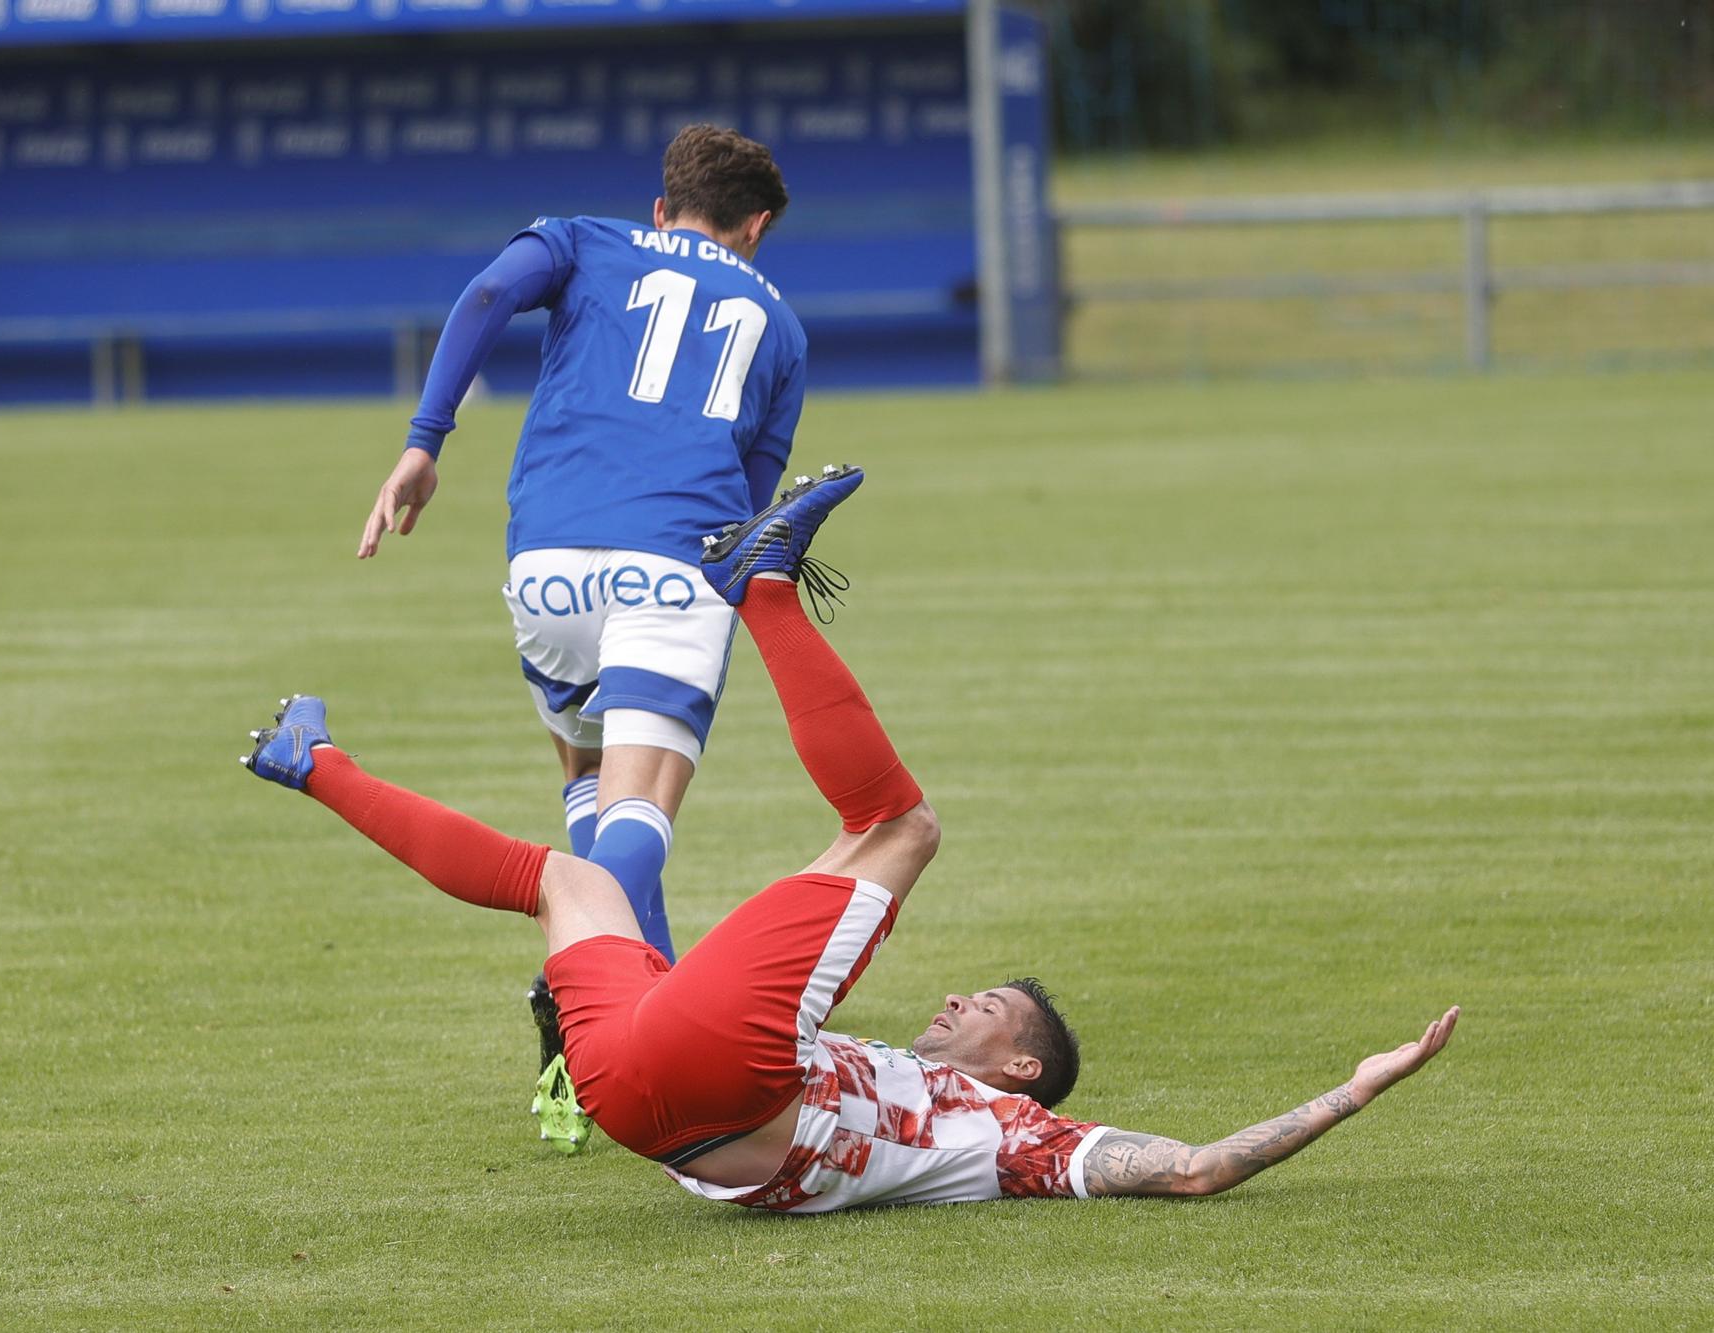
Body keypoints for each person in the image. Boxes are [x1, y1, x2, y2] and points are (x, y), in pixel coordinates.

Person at [252, 468, 1460, 1210]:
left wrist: (1345, 1096)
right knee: (566, 879)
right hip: (641, 1096)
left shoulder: (1019, 1137)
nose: (957, 995)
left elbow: (1191, 1167)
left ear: (1021, 1067)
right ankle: (311, 760)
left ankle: (762, 584)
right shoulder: (925, 1088)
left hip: (718, 1077)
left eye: (989, 1004)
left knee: (900, 827)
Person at [354, 124, 804, 985]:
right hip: (673, 568)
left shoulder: (580, 235)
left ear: (662, 208)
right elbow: (748, 510)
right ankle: (570, 988)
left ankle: (654, 990)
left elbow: (488, 293)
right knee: (640, 810)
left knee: (592, 782)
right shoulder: (780, 328)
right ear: (756, 228)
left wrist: (425, 442)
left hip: (547, 568)